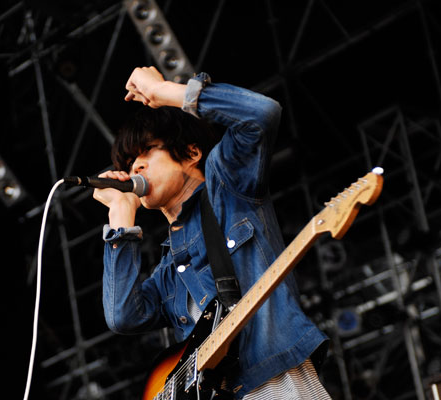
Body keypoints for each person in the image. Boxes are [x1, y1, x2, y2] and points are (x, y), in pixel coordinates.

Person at [93, 66, 330, 399]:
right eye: (129, 162)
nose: (136, 167)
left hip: (271, 382)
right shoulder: (167, 272)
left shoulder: (227, 187)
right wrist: (120, 214)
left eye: (146, 151)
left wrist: (164, 92)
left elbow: (261, 114)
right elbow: (122, 317)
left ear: (192, 153)